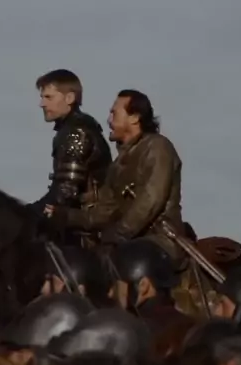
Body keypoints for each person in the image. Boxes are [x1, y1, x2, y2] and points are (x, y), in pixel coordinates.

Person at [52, 89, 186, 269]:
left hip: (161, 242)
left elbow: (151, 200)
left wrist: (117, 235)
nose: (109, 120)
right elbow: (105, 210)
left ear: (134, 118)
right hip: (130, 242)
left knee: (124, 265)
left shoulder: (158, 147)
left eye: (114, 113)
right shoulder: (117, 166)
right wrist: (67, 216)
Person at [31, 69, 111, 213]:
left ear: (69, 98)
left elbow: (66, 192)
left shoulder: (76, 132)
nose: (42, 104)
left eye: (49, 97)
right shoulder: (77, 127)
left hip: (86, 220)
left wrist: (26, 213)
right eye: (42, 97)